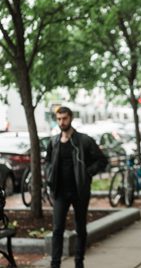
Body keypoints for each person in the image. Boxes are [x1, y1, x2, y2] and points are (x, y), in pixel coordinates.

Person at [46, 107, 108, 268]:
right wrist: (49, 176)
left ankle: (79, 262)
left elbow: (102, 160)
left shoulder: (84, 140)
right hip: (60, 192)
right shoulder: (53, 142)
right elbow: (48, 163)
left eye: (64, 118)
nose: (62, 122)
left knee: (80, 228)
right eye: (59, 119)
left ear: (71, 118)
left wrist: (88, 173)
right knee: (57, 229)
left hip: (79, 191)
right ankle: (55, 264)